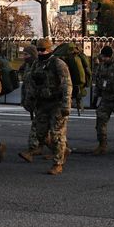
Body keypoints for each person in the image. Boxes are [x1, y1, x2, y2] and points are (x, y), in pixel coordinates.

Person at [18, 38, 72, 175]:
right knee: (40, 133)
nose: (41, 52)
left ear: (50, 49)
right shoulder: (36, 64)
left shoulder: (58, 64)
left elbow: (67, 85)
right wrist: (28, 102)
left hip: (57, 104)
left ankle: (57, 164)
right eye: (39, 50)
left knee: (57, 135)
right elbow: (31, 84)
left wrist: (66, 105)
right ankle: (62, 150)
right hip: (42, 104)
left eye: (43, 50)